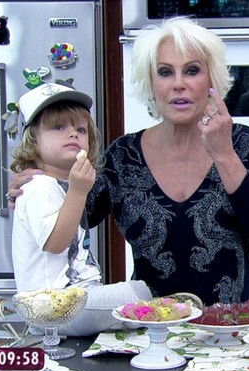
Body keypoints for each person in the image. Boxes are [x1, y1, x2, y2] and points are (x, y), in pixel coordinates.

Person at [8, 16, 249, 306]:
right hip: (148, 326)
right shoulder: (123, 157)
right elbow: (70, 219)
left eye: (191, 71)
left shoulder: (240, 142)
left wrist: (224, 154)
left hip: (230, 325)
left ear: (211, 80)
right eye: (165, 72)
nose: (178, 84)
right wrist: (38, 186)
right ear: (150, 85)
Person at [10, 83, 152, 336]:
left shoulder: (60, 185)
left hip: (74, 300)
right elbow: (56, 244)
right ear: (32, 141)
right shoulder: (39, 186)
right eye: (58, 127)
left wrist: (75, 189)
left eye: (81, 129)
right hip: (51, 308)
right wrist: (78, 191)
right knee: (138, 292)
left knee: (135, 310)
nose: (73, 134)